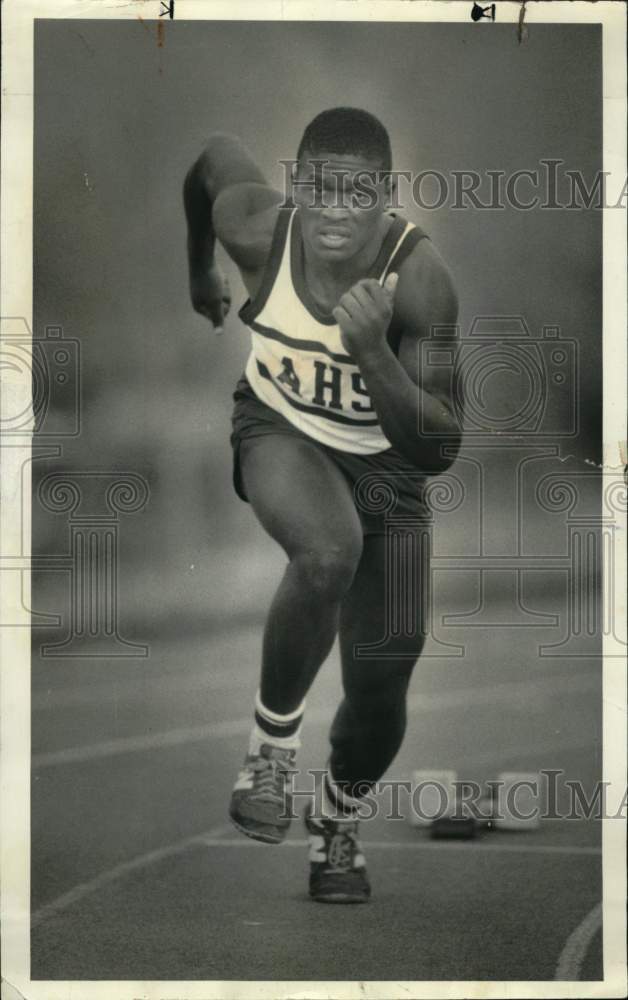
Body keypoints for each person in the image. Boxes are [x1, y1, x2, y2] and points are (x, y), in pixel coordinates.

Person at [184, 107, 461, 904]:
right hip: (281, 428)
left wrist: (373, 350)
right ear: (295, 185)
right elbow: (211, 157)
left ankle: (337, 821)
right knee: (328, 551)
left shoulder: (424, 281)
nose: (337, 210)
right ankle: (270, 750)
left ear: (390, 195)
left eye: (359, 194)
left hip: (391, 472)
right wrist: (198, 270)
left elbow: (440, 448)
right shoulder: (256, 229)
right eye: (322, 189)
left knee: (381, 690)